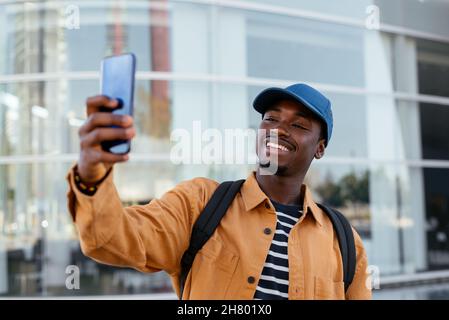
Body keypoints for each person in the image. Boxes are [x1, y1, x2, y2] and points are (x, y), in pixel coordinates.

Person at [66, 83, 372, 300]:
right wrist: (92, 176)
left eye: (299, 125)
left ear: (319, 148)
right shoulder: (201, 203)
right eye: (271, 119)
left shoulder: (344, 242)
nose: (279, 129)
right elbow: (110, 240)